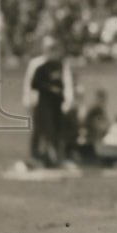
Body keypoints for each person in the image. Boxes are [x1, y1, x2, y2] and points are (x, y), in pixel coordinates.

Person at [22, 35, 74, 168]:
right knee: (40, 130)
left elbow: (67, 83)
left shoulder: (61, 64)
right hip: (41, 103)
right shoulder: (37, 64)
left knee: (57, 130)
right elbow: (30, 84)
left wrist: (68, 100)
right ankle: (35, 157)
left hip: (57, 104)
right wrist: (28, 101)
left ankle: (56, 158)